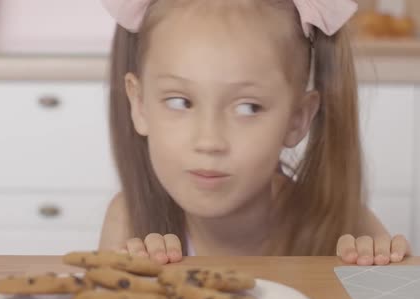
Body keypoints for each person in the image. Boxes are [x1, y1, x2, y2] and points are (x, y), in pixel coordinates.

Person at [98, 0, 412, 266]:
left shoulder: (351, 229)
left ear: (297, 119)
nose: (209, 142)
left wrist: (379, 277)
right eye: (180, 102)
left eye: (248, 107)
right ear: (139, 105)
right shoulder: (128, 222)